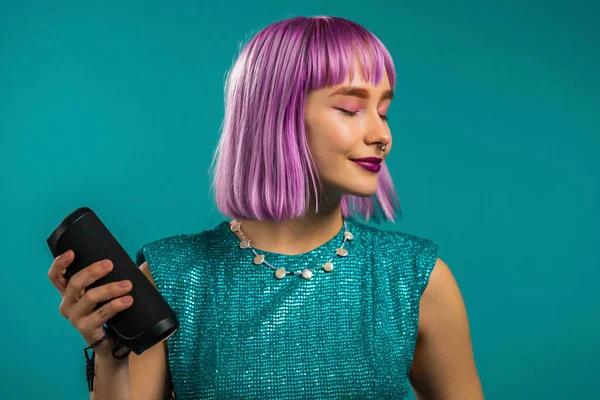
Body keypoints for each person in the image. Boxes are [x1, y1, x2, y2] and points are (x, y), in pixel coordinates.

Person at [48, 15, 484, 400]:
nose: (381, 134)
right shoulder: (173, 276)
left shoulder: (415, 278)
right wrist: (111, 353)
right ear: (276, 115)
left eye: (384, 111)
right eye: (351, 108)